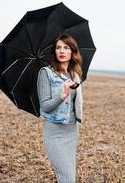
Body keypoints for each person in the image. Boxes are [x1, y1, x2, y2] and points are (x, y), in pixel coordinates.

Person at [37, 32, 83, 183]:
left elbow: (75, 103)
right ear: (54, 51)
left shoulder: (74, 74)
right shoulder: (46, 73)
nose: (62, 51)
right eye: (58, 48)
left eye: (66, 47)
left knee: (69, 177)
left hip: (72, 131)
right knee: (67, 178)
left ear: (72, 51)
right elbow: (45, 106)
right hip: (55, 134)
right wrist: (62, 95)